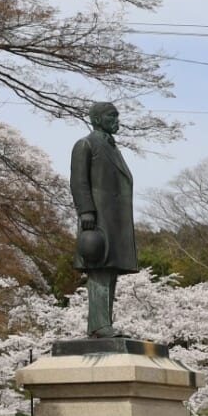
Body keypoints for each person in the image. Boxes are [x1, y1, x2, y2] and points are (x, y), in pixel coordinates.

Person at [69, 101, 138, 338]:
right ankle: (99, 325)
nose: (117, 120)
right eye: (111, 116)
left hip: (115, 220)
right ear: (97, 119)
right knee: (99, 268)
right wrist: (86, 211)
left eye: (117, 116)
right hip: (97, 219)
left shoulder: (113, 148)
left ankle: (103, 323)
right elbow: (78, 181)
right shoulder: (86, 144)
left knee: (110, 271)